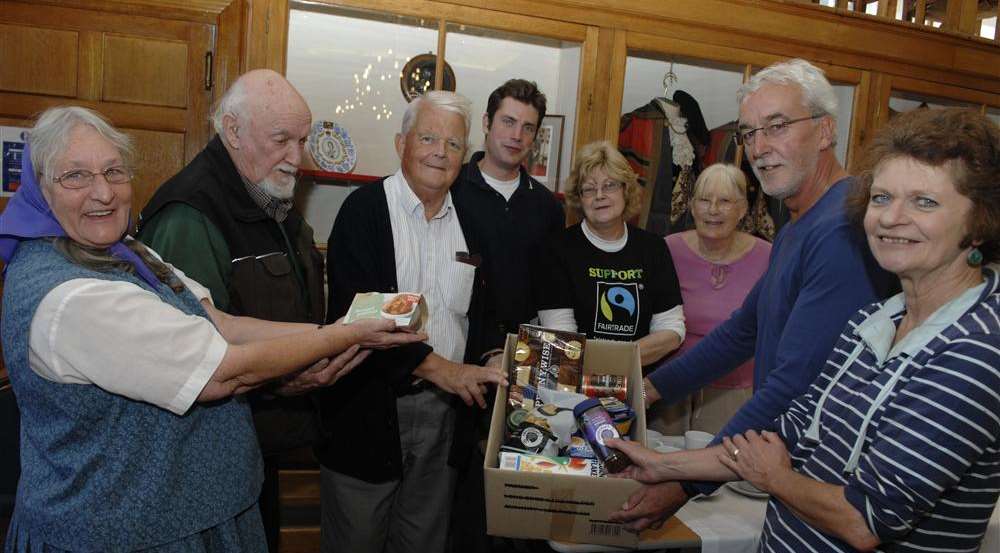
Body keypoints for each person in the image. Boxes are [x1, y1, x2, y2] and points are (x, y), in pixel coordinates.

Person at [0, 106, 425, 552]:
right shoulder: (71, 296)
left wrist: (338, 327)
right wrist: (345, 336)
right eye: (76, 177)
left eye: (113, 171)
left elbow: (220, 324)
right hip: (125, 535)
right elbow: (224, 372)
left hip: (191, 518)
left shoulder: (126, 251)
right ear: (39, 189)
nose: (103, 192)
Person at [612, 107, 1000, 552]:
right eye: (881, 198)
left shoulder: (977, 348)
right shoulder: (877, 319)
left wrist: (774, 476)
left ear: (979, 222)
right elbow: (792, 427)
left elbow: (864, 519)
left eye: (924, 201)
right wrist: (668, 467)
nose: (893, 217)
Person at [638, 58, 893, 520]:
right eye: (749, 133)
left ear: (825, 131)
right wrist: (648, 389)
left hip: (826, 488)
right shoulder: (799, 221)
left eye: (777, 126)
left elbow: (795, 384)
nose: (759, 148)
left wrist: (683, 483)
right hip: (790, 475)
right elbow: (744, 330)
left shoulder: (842, 229)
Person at [136, 69, 325, 551]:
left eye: (302, 140)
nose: (296, 157)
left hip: (258, 447)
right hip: (208, 464)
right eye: (281, 139)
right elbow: (195, 358)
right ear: (233, 131)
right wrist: (285, 375)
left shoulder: (267, 194)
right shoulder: (191, 214)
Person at [316, 91, 507, 553]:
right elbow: (361, 317)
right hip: (367, 411)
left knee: (423, 541)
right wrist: (446, 370)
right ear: (402, 143)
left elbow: (483, 314)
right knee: (357, 541)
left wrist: (491, 355)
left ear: (466, 156)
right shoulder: (362, 212)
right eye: (428, 137)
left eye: (454, 144)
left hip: (447, 416)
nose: (440, 152)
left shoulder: (475, 224)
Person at [448, 79, 565, 553]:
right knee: (462, 507)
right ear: (487, 125)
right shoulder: (452, 188)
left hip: (524, 375)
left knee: (519, 508)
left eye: (528, 128)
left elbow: (551, 297)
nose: (517, 135)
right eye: (508, 122)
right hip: (457, 369)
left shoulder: (546, 207)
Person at [537, 140, 686, 367]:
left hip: (640, 386)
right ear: (579, 198)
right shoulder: (556, 249)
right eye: (589, 189)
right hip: (575, 388)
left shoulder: (653, 248)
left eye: (610, 185)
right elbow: (561, 338)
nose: (599, 195)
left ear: (626, 190)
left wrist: (616, 362)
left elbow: (672, 330)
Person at [657, 163, 771, 434]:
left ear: (742, 209)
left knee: (721, 469)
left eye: (725, 201)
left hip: (735, 391)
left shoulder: (769, 256)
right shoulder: (666, 250)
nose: (713, 210)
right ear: (692, 206)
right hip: (670, 387)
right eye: (704, 200)